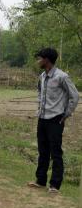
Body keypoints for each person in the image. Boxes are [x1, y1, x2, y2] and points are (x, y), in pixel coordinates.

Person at [28, 48, 79, 193]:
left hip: (56, 119)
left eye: (40, 58)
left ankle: (55, 185)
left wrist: (65, 114)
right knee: (42, 150)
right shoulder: (42, 76)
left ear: (47, 60)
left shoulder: (62, 77)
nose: (38, 61)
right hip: (42, 118)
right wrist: (39, 107)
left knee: (55, 152)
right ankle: (40, 180)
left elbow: (74, 96)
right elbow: (39, 91)